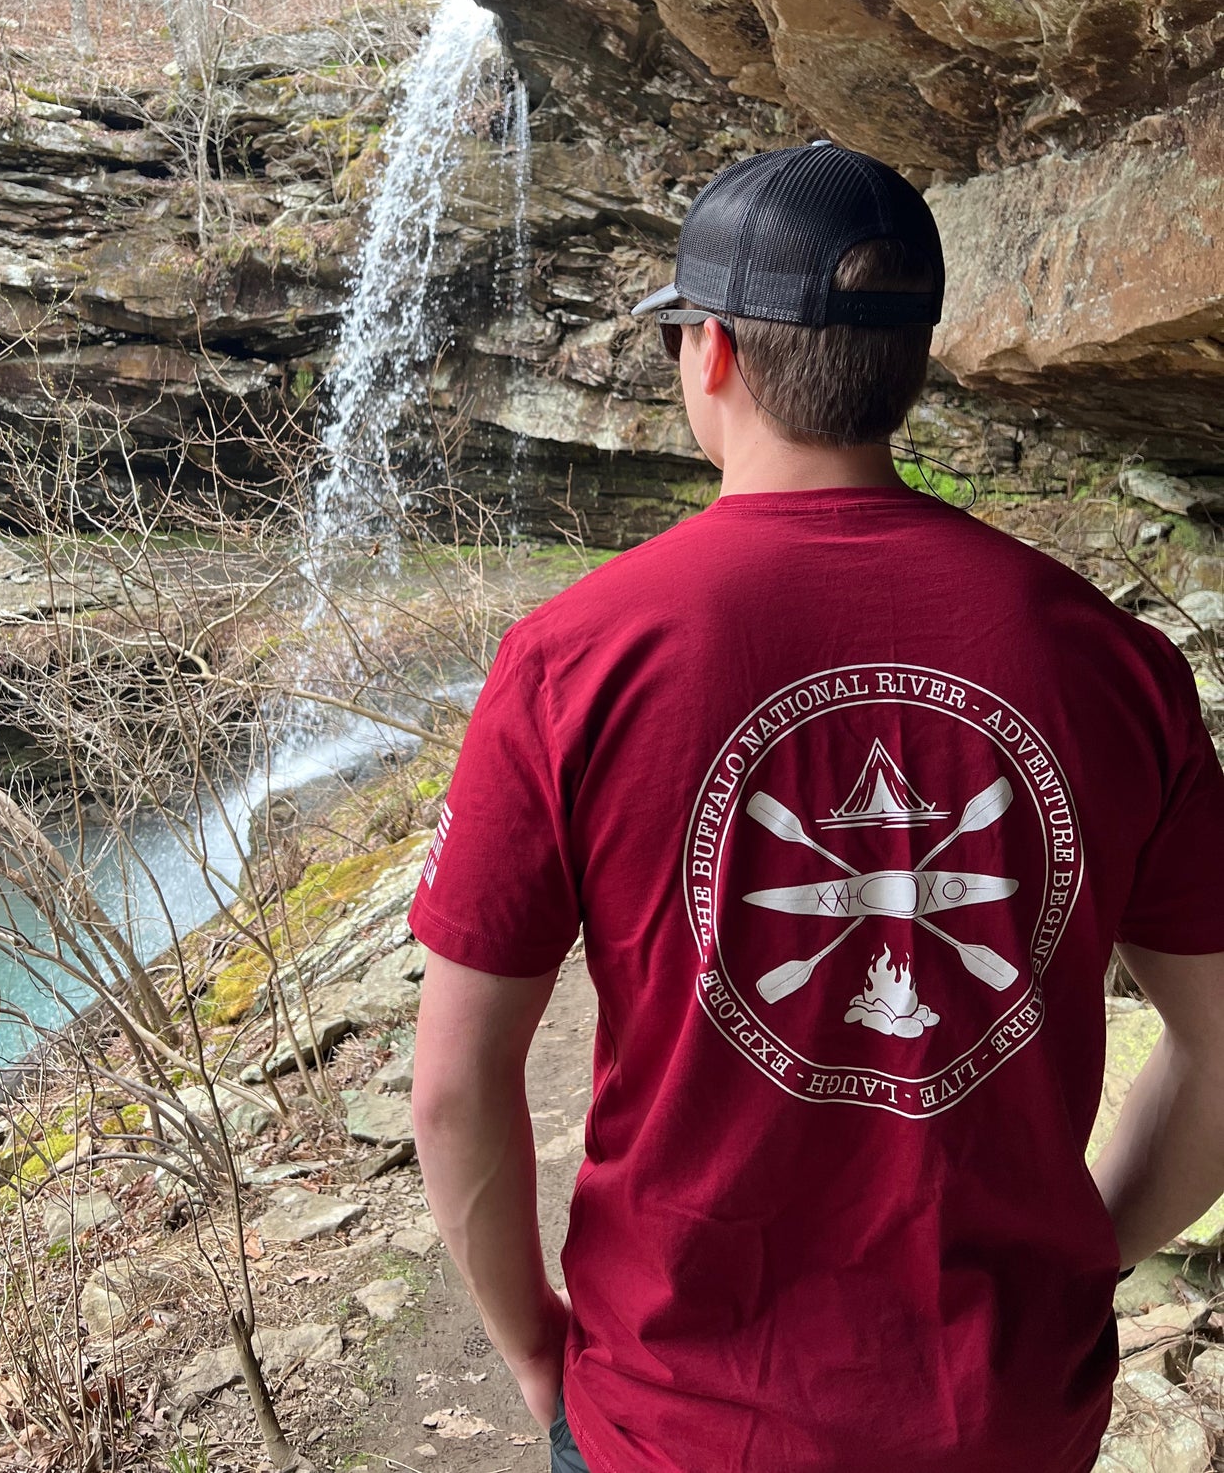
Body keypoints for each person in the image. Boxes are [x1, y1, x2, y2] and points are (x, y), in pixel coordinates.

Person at [407, 141, 1224, 1473]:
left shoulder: (574, 657)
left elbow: (451, 1084)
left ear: (710, 352)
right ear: (908, 366)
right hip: (1005, 1414)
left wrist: (533, 1352)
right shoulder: (1110, 661)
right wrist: (1075, 1261)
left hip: (675, 1422)